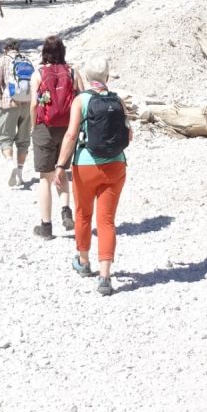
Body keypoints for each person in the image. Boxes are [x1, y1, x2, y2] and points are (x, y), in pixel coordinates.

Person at [56, 56, 130, 296]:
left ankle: (84, 261)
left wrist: (60, 165)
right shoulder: (117, 100)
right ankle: (105, 276)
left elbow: (70, 135)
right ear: (107, 77)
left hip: (86, 166)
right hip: (116, 165)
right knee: (107, 220)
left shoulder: (82, 100)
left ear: (87, 78)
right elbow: (128, 136)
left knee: (83, 214)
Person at [29, 35, 77, 238]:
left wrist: (33, 126)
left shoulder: (38, 73)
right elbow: (80, 98)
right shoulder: (73, 72)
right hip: (68, 129)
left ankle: (46, 226)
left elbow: (33, 104)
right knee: (62, 170)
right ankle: (66, 210)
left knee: (45, 178)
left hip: (45, 128)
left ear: (44, 53)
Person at [0, 38, 34, 186]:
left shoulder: (4, 60)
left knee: (5, 137)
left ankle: (10, 164)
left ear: (5, 49)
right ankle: (20, 173)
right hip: (27, 103)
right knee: (24, 140)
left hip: (9, 103)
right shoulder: (27, 59)